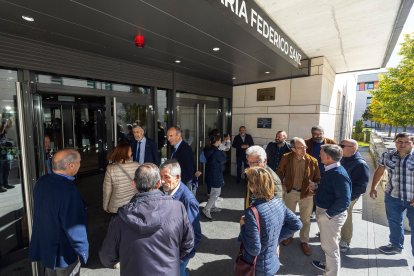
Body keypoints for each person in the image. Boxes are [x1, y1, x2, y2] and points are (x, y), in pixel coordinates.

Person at [99, 163, 194, 276]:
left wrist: (125, 259)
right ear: (158, 183)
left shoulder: (119, 219)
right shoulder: (178, 208)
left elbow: (106, 257)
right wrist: (171, 257)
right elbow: (188, 243)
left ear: (134, 184)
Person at [29, 149, 88, 275]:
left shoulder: (41, 182)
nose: (80, 164)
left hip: (46, 248)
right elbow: (75, 227)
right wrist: (82, 252)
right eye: (79, 162)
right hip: (64, 253)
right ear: (70, 165)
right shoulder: (69, 191)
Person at [238, 167, 302, 275]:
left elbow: (254, 249)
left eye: (249, 181)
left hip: (256, 268)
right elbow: (297, 224)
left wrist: (243, 227)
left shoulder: (252, 212)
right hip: (271, 263)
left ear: (253, 186)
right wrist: (276, 240)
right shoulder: (278, 202)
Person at [369, 132, 414, 256]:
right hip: (392, 196)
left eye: (406, 142)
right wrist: (373, 187)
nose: (402, 144)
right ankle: (395, 245)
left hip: (412, 199)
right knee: (394, 222)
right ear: (395, 142)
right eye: (399, 141)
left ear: (412, 143)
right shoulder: (387, 155)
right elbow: (380, 171)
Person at [276, 137, 320, 256]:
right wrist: (282, 188)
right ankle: (288, 235)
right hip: (291, 192)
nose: (304, 149)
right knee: (289, 217)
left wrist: (315, 185)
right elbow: (280, 172)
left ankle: (304, 241)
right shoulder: (286, 157)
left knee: (305, 219)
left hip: (306, 194)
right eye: (300, 147)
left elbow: (318, 178)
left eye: (305, 146)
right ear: (293, 149)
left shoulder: (313, 160)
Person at [312, 144, 351, 275]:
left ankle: (332, 273)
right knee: (329, 245)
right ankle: (328, 266)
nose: (319, 155)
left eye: (321, 154)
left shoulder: (338, 174)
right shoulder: (331, 169)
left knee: (330, 248)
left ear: (328, 157)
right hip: (327, 213)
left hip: (330, 216)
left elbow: (344, 201)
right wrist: (318, 187)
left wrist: (326, 215)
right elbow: (332, 190)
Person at [160, 160, 201, 276]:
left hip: (179, 255)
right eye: (161, 176)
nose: (162, 181)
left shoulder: (188, 200)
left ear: (177, 177)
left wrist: (182, 257)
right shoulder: (167, 191)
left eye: (167, 177)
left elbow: (195, 235)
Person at [339, 139, 370, 252]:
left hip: (348, 197)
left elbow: (361, 186)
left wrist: (348, 198)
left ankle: (345, 240)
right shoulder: (343, 158)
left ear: (353, 148)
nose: (339, 147)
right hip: (339, 194)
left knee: (345, 216)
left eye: (342, 145)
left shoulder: (360, 164)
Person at [103, 142, 138, 214]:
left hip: (116, 207)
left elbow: (107, 190)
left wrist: (105, 206)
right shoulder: (137, 165)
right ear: (125, 153)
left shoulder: (111, 169)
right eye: (130, 150)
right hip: (133, 204)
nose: (132, 152)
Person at [167, 126, 201, 195]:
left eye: (171, 136)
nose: (168, 139)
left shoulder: (185, 149)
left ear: (178, 135)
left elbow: (188, 170)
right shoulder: (175, 147)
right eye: (167, 136)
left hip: (183, 184)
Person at [202, 133, 227, 220]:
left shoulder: (208, 148)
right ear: (217, 141)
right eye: (220, 140)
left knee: (213, 191)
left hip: (210, 172)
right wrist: (222, 149)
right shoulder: (217, 152)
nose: (221, 142)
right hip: (216, 173)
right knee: (216, 193)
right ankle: (207, 209)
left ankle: (212, 207)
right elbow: (224, 159)